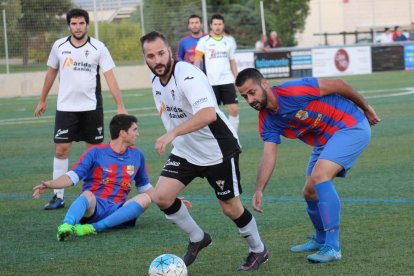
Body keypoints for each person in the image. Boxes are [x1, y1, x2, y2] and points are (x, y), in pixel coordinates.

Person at [140, 31, 268, 271]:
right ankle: (198, 238)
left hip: (217, 149)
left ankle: (259, 249)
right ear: (145, 59)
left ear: (170, 51)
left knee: (230, 207)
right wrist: (177, 138)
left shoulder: (187, 75)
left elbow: (208, 114)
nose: (157, 60)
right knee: (162, 197)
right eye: (150, 56)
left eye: (160, 53)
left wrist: (173, 134)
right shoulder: (156, 82)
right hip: (187, 149)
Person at [235, 68, 380, 263]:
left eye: (251, 92)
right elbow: (269, 154)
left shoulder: (293, 91)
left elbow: (339, 84)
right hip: (325, 139)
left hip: (350, 125)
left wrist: (366, 107)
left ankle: (333, 247)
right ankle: (320, 239)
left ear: (264, 84)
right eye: (245, 97)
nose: (250, 100)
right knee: (310, 191)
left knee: (320, 176)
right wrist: (259, 189)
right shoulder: (267, 119)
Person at [34, 8, 127, 210]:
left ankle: (91, 195)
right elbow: (50, 74)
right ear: (69, 25)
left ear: (87, 24)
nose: (78, 27)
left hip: (92, 107)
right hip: (66, 107)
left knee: (92, 152)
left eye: (81, 23)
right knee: (61, 150)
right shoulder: (59, 46)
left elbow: (110, 77)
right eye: (74, 23)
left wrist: (120, 105)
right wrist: (42, 100)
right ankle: (58, 196)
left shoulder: (98, 47)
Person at [32, 114, 153, 241]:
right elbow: (72, 176)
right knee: (87, 194)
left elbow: (144, 187)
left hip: (118, 211)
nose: (137, 134)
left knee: (145, 198)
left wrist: (169, 200)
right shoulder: (96, 152)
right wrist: (50, 184)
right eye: (134, 130)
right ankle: (66, 225)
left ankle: (94, 228)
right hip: (95, 207)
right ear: (123, 133)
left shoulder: (137, 155)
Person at [194, 14, 240, 132]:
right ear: (211, 25)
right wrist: (197, 78)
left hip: (227, 80)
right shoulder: (204, 41)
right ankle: (217, 140)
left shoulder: (228, 42)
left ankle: (233, 137)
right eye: (215, 24)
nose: (218, 27)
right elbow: (197, 59)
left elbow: (232, 61)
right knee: (212, 114)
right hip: (211, 82)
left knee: (234, 109)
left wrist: (237, 79)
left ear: (223, 25)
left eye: (220, 24)